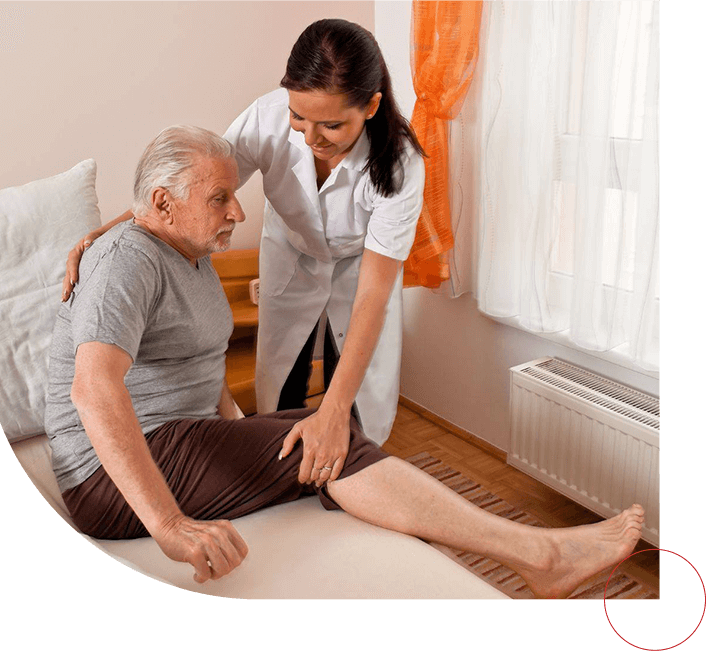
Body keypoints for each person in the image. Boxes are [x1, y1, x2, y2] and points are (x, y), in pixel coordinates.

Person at [46, 124, 645, 597]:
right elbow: (94, 391)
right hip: (105, 478)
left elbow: (198, 371)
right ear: (163, 204)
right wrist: (170, 527)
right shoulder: (127, 261)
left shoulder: (186, 247)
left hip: (176, 439)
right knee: (323, 443)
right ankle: (541, 556)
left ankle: (527, 552)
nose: (237, 213)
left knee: (328, 432)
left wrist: (249, 444)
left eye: (235, 195)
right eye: (220, 199)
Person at [62, 19, 426, 485]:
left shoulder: (398, 166)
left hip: (361, 268)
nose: (311, 136)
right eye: (299, 116)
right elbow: (191, 185)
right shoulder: (267, 117)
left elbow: (373, 296)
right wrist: (103, 232)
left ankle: (353, 471)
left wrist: (332, 412)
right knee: (282, 381)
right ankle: (288, 480)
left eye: (332, 125)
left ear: (371, 106)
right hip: (292, 254)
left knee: (354, 399)